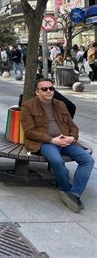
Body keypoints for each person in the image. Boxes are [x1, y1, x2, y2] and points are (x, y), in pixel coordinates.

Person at [21, 78, 94, 213]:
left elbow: (72, 126)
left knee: (88, 160)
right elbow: (29, 131)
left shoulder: (60, 104)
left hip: (65, 140)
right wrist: (52, 140)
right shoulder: (27, 106)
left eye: (51, 88)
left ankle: (74, 194)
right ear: (37, 92)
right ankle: (65, 188)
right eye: (44, 89)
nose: (49, 91)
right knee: (57, 160)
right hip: (44, 142)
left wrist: (72, 137)